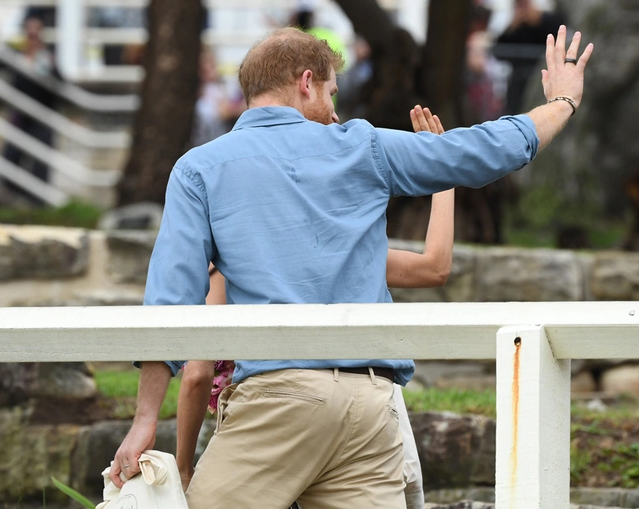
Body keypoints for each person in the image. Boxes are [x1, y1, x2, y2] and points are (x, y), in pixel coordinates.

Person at [110, 26, 592, 509]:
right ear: (306, 82)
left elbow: (171, 300)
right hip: (370, 406)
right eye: (330, 92)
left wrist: (145, 418)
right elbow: (483, 150)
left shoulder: (199, 168)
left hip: (279, 401)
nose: (335, 110)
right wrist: (562, 103)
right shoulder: (362, 147)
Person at [176, 107, 453, 509]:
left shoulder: (237, 253)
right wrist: (442, 167)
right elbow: (435, 266)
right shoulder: (347, 249)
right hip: (371, 405)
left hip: (276, 421)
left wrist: (183, 467)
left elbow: (197, 372)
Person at [0, 13, 60, 197]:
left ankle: (38, 202)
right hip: (19, 113)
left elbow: (60, 83)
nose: (33, 34)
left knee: (41, 160)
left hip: (42, 115)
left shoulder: (48, 56)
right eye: (29, 30)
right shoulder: (16, 54)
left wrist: (52, 67)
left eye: (36, 30)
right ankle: (8, 197)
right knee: (11, 155)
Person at [494, 0, 565, 114]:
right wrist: (512, 27)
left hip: (543, 78)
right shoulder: (514, 23)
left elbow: (557, 36)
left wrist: (539, 21)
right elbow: (499, 49)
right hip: (518, 80)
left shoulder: (548, 18)